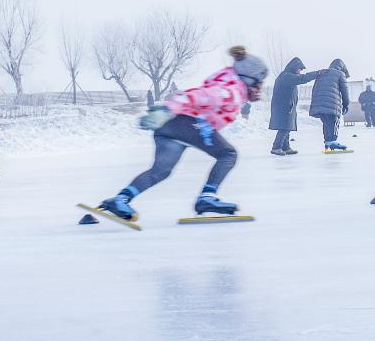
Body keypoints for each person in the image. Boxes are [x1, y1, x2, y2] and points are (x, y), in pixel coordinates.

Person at [98, 46, 267, 220]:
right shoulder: (231, 92)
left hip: (169, 128)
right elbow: (195, 96)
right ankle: (207, 198)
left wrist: (166, 114)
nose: (259, 89)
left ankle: (121, 199)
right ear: (247, 79)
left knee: (160, 171)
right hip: (187, 123)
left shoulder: (228, 85)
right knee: (228, 154)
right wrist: (167, 111)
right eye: (258, 83)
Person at [268, 57, 325, 154]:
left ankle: (285, 147)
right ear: (294, 67)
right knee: (284, 127)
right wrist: (317, 73)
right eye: (299, 69)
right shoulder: (286, 76)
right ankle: (276, 147)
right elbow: (302, 78)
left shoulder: (287, 76)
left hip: (287, 106)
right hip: (283, 107)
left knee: (287, 126)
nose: (300, 71)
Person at [308, 58, 351, 151]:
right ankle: (333, 142)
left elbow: (314, 89)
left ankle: (327, 142)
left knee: (326, 123)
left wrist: (315, 104)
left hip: (319, 104)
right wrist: (346, 104)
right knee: (334, 122)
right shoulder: (340, 74)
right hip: (332, 104)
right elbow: (345, 91)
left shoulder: (322, 73)